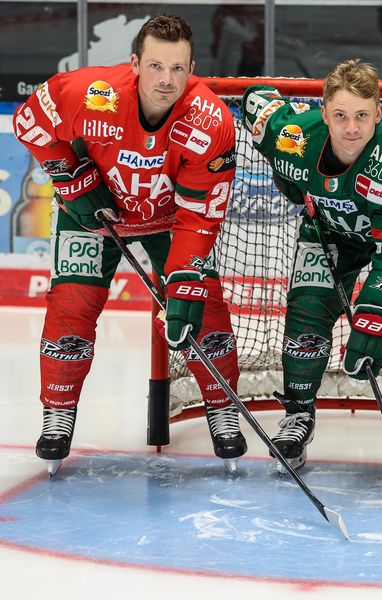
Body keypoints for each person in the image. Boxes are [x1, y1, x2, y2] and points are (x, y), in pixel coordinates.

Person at [14, 15, 246, 476]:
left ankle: (223, 408)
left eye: (177, 69)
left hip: (170, 221)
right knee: (71, 306)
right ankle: (57, 413)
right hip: (92, 213)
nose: (166, 80)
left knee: (204, 310)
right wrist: (70, 176)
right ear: (135, 64)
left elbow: (200, 217)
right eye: (156, 66)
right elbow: (29, 122)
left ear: (192, 68)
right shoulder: (90, 93)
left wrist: (184, 283)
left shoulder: (211, 121)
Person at [240, 59, 382, 483]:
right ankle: (298, 415)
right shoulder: (293, 136)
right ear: (323, 113)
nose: (352, 128)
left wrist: (372, 325)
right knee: (307, 305)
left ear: (379, 113)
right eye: (340, 115)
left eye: (362, 115)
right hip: (333, 227)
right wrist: (290, 179)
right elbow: (255, 100)